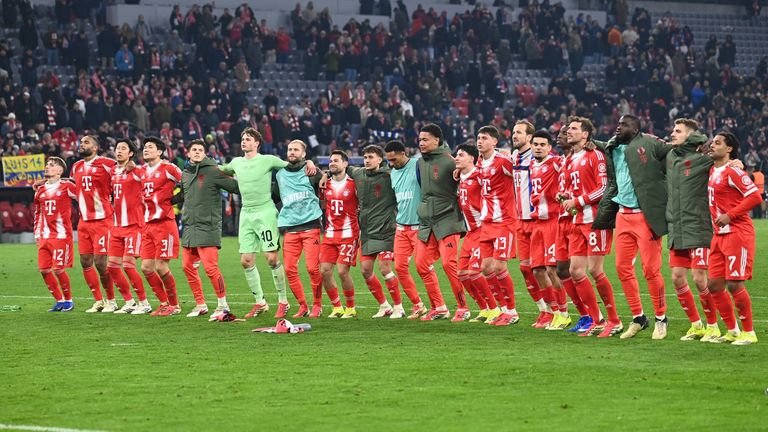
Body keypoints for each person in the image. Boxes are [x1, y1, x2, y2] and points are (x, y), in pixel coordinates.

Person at [219, 128, 315, 319]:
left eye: (248, 139)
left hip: (265, 212)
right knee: (246, 260)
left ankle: (283, 302)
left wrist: (310, 161)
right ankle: (260, 302)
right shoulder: (236, 163)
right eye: (243, 138)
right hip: (246, 214)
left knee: (271, 259)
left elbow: (293, 165)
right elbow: (221, 169)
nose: (244, 141)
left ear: (257, 143)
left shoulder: (268, 160)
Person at [594, 115, 670, 340]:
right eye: (617, 124)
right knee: (622, 269)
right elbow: (597, 144)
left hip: (645, 218)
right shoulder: (614, 147)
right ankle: (639, 318)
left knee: (650, 270)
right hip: (623, 216)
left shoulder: (649, 143)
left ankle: (661, 318)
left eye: (624, 125)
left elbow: (672, 152)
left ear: (636, 129)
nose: (618, 127)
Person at [561, 117, 620, 337]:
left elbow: (603, 188)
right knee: (576, 271)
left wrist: (576, 202)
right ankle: (597, 320)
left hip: (595, 221)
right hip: (577, 221)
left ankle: (614, 321)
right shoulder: (569, 159)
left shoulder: (595, 155)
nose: (569, 131)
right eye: (568, 128)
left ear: (585, 134)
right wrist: (566, 197)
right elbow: (572, 188)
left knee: (595, 270)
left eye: (574, 129)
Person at [665, 119, 721, 341]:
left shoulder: (702, 160)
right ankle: (696, 325)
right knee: (678, 277)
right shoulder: (670, 156)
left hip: (698, 227)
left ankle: (713, 326)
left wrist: (737, 163)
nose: (672, 134)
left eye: (677, 131)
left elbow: (722, 160)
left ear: (690, 136)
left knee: (700, 279)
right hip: (676, 227)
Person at [706, 131, 762, 345]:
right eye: (712, 142)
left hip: (738, 233)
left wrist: (730, 215)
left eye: (717, 143)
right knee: (714, 285)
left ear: (729, 149)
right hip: (719, 235)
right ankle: (733, 331)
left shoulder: (733, 172)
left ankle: (749, 332)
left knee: (735, 284)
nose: (712, 145)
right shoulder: (713, 170)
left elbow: (755, 196)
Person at [179, 139, 240, 320]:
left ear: (205, 153)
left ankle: (223, 305)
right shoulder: (185, 174)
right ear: (188, 154)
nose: (197, 152)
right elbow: (184, 195)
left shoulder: (213, 171)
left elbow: (235, 187)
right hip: (190, 228)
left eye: (200, 150)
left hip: (208, 227)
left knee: (210, 268)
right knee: (187, 267)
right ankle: (201, 304)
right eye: (194, 149)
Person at [415, 123, 467, 321]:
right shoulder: (420, 163)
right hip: (427, 220)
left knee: (448, 264)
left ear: (437, 140)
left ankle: (463, 307)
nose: (421, 143)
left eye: (425, 139)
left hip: (447, 218)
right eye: (420, 140)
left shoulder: (451, 161)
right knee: (420, 264)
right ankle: (439, 307)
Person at [274, 139, 331, 318]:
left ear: (304, 154)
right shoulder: (280, 174)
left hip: (310, 226)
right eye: (290, 149)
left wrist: (316, 168)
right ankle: (302, 305)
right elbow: (274, 196)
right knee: (289, 269)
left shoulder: (311, 171)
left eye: (296, 150)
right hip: (290, 228)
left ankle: (317, 305)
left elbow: (326, 179)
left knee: (313, 269)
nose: (292, 152)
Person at [347, 145, 405, 318]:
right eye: (365, 157)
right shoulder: (358, 174)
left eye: (371, 157)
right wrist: (322, 171)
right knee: (365, 270)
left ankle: (399, 307)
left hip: (386, 229)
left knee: (385, 268)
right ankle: (384, 305)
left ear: (380, 159)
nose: (367, 160)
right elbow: (342, 167)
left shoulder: (390, 175)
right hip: (367, 231)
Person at [475, 125, 519, 326]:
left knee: (500, 266)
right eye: (478, 137)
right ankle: (502, 309)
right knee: (485, 268)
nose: (480, 141)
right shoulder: (480, 162)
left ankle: (512, 312)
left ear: (494, 142)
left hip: (504, 222)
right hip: (487, 223)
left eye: (484, 138)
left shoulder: (503, 161)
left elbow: (520, 175)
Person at [529, 130, 571, 330]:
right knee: (537, 270)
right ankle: (552, 312)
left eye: (542, 144)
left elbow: (568, 162)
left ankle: (563, 314)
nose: (538, 147)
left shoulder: (555, 162)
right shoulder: (531, 164)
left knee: (551, 269)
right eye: (535, 144)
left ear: (549, 147)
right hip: (538, 223)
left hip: (553, 222)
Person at [71, 135, 117, 313]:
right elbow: (76, 188)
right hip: (84, 222)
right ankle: (98, 301)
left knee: (100, 262)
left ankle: (112, 300)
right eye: (81, 142)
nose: (82, 145)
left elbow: (123, 171)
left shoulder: (106, 163)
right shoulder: (76, 166)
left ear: (96, 148)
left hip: (102, 220)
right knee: (85, 261)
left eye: (86, 142)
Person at [454, 143, 500, 323]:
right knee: (462, 274)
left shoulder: (480, 175)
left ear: (472, 159)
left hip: (483, 229)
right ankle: (484, 309)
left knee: (475, 272)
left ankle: (495, 308)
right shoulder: (461, 177)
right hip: (470, 232)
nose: (456, 157)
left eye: (461, 155)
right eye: (456, 155)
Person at [553, 126, 592, 333]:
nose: (561, 137)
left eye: (565, 133)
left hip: (577, 218)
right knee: (561, 269)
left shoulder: (586, 157)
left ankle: (593, 316)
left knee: (576, 269)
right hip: (562, 218)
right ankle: (584, 315)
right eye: (560, 134)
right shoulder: (564, 161)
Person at [140, 137, 184, 316]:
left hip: (164, 223)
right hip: (148, 224)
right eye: (144, 147)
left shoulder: (169, 168)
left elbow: (187, 181)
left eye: (150, 147)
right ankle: (164, 302)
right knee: (146, 267)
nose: (146, 149)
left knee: (160, 266)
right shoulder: (141, 171)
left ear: (159, 152)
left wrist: (177, 199)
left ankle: (175, 305)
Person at [511, 121, 549, 326]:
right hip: (519, 221)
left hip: (537, 221)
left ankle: (557, 310)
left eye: (519, 133)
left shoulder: (539, 158)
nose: (514, 135)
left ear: (530, 137)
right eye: (513, 132)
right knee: (526, 269)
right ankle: (543, 310)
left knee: (542, 269)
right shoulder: (513, 157)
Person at [383, 140, 427, 319]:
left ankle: (440, 306)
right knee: (400, 267)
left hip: (419, 226)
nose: (391, 164)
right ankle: (418, 305)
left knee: (423, 267)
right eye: (389, 161)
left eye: (394, 159)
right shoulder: (393, 173)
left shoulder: (418, 165)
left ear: (403, 153)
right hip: (401, 227)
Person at [108, 138, 151, 315]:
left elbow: (148, 179)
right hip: (117, 226)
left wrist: (137, 169)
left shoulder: (136, 170)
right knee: (112, 266)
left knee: (128, 265)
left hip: (134, 225)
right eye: (117, 148)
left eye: (123, 148)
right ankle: (129, 302)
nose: (119, 151)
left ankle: (144, 302)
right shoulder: (113, 171)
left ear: (131, 153)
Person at [320, 150, 359, 319]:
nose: (332, 163)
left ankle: (350, 308)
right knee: (325, 271)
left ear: (345, 164)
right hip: (329, 234)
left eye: (336, 160)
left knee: (343, 271)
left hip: (349, 234)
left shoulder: (354, 184)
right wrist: (323, 175)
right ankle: (337, 307)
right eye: (330, 161)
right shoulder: (324, 184)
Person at [34, 157, 77, 312]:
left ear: (60, 171)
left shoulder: (67, 186)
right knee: (44, 270)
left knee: (58, 269)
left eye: (51, 165)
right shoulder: (40, 190)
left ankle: (69, 301)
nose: (47, 167)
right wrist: (37, 234)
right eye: (46, 165)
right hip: (45, 236)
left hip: (61, 235)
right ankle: (59, 301)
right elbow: (38, 214)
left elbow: (83, 197)